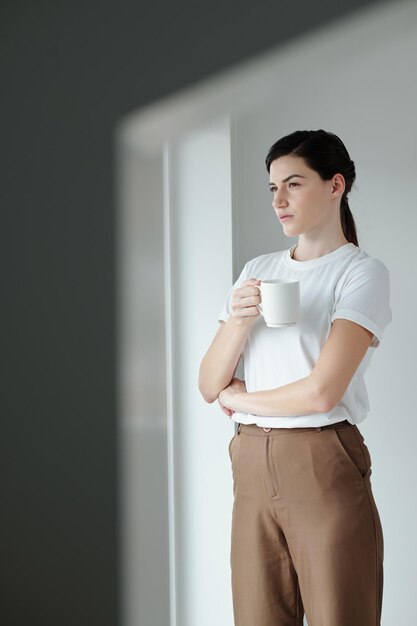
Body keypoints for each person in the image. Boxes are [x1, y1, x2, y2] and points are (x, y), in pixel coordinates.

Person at [198, 129, 392, 626]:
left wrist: (244, 399)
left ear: (335, 185)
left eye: (294, 184)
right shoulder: (256, 271)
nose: (279, 200)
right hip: (250, 465)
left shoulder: (360, 273)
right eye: (272, 188)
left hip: (322, 459)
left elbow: (323, 390)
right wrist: (239, 320)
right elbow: (207, 384)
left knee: (339, 616)